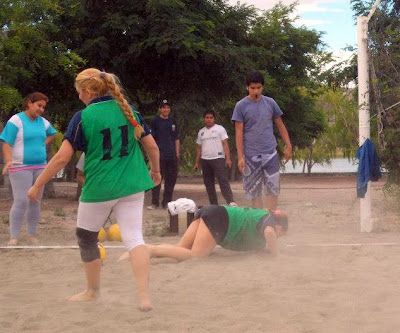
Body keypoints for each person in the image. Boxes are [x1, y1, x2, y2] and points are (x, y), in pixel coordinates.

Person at [27, 68, 161, 312]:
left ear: (88, 91)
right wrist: (156, 171)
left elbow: (61, 158)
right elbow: (152, 147)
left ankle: (92, 291)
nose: (78, 96)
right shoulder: (129, 111)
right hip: (132, 184)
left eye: (79, 92)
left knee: (87, 237)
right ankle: (144, 298)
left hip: (99, 188)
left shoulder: (83, 117)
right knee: (135, 239)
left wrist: (38, 184)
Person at [120, 205, 288, 262]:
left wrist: (266, 251)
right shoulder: (268, 220)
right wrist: (278, 254)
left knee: (180, 250)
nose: (278, 235)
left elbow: (257, 243)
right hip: (219, 218)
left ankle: (136, 252)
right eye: (281, 232)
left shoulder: (259, 216)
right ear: (278, 225)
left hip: (212, 211)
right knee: (195, 255)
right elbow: (269, 233)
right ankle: (148, 250)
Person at [0, 92, 56, 245]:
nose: (41, 109)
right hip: (20, 167)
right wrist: (9, 160)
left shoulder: (43, 122)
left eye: (43, 107)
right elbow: (6, 142)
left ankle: (31, 234)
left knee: (35, 201)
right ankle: (14, 237)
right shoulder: (16, 120)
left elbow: (52, 134)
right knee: (21, 201)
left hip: (40, 167)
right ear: (29, 103)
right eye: (39, 106)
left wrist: (42, 143)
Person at [232, 71, 292, 211]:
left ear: (262, 87)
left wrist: (288, 145)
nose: (256, 91)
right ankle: (260, 221)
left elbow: (280, 125)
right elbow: (239, 132)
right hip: (251, 155)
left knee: (273, 186)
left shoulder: (270, 103)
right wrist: (240, 157)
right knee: (254, 189)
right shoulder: (240, 106)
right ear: (247, 87)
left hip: (270, 152)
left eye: (258, 87)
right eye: (253, 88)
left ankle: (271, 217)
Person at [193, 111, 237, 206]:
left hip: (218, 159)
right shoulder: (201, 132)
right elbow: (199, 148)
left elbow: (225, 144)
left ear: (214, 119)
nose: (209, 120)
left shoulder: (220, 129)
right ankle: (213, 204)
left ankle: (230, 201)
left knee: (222, 180)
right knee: (208, 184)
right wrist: (196, 162)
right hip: (205, 160)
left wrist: (228, 158)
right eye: (207, 118)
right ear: (204, 119)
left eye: (211, 117)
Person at [147, 99, 180, 210]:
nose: (166, 109)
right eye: (164, 107)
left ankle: (167, 202)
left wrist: (177, 153)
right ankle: (154, 202)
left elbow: (176, 138)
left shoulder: (173, 121)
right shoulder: (155, 121)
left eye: (168, 107)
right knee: (157, 179)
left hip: (171, 155)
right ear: (160, 109)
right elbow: (151, 138)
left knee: (171, 180)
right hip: (159, 155)